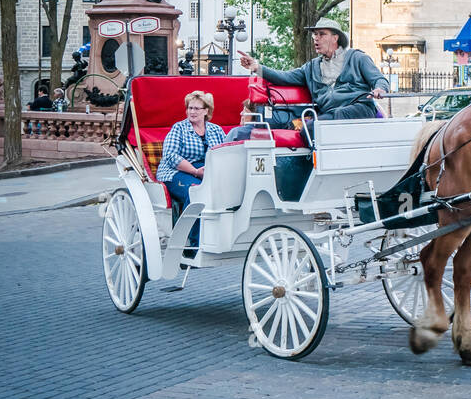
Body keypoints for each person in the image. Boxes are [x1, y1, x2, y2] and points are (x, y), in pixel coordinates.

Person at [239, 19, 388, 123]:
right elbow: (284, 77)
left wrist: (380, 89)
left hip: (358, 109)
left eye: (321, 34)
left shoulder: (357, 57)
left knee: (331, 117)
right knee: (306, 124)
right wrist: (257, 67)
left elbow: (379, 79)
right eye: (314, 35)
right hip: (328, 114)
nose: (316, 38)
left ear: (335, 38)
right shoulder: (311, 67)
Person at [157, 91, 226, 242]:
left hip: (208, 171)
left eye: (196, 108)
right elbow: (170, 156)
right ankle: (191, 240)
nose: (192, 112)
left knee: (224, 191)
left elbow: (224, 152)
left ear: (206, 111)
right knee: (195, 192)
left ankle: (218, 233)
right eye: (190, 108)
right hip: (176, 171)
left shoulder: (216, 130)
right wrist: (195, 171)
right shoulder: (179, 128)